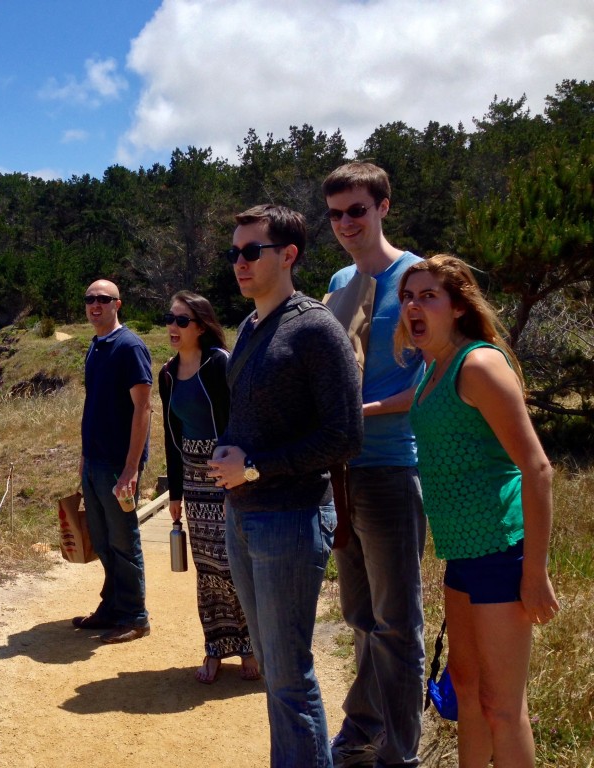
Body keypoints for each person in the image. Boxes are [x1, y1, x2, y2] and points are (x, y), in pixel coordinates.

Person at [207, 204, 363, 767]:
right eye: (234, 253)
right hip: (244, 515)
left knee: (290, 676)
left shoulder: (316, 328)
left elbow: (345, 436)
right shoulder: (250, 326)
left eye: (252, 251)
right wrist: (231, 451)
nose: (239, 263)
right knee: (273, 670)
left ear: (289, 254)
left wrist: (255, 467)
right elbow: (251, 414)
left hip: (290, 518)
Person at [397, 255, 558, 768]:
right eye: (407, 297)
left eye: (428, 296)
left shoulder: (479, 364)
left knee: (502, 707)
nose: (413, 307)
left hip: (502, 550)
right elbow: (420, 405)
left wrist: (534, 573)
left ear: (459, 307)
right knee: (465, 688)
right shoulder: (434, 366)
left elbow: (538, 470)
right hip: (462, 552)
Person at [322, 162, 427, 768]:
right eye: (336, 213)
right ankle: (363, 729)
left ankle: (400, 753)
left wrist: (358, 412)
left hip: (390, 469)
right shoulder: (340, 280)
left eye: (356, 210)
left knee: (397, 623)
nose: (345, 223)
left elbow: (432, 377)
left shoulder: (415, 277)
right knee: (359, 616)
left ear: (384, 207)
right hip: (343, 474)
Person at [157, 290, 260, 684]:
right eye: (170, 318)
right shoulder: (167, 373)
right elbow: (171, 435)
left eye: (182, 320)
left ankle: (249, 646)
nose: (173, 326)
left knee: (234, 564)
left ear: (200, 326)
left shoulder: (220, 364)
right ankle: (215, 647)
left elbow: (241, 419)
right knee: (206, 569)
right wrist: (176, 494)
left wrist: (242, 469)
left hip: (225, 473)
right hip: (193, 477)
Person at [72, 278, 154, 644]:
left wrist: (131, 468)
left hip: (119, 466)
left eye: (103, 299)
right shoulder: (96, 346)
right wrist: (84, 458)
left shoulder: (129, 346)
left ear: (118, 304)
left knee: (124, 540)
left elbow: (144, 408)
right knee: (103, 541)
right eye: (90, 299)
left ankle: (136, 616)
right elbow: (94, 406)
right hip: (95, 462)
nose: (95, 305)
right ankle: (112, 606)